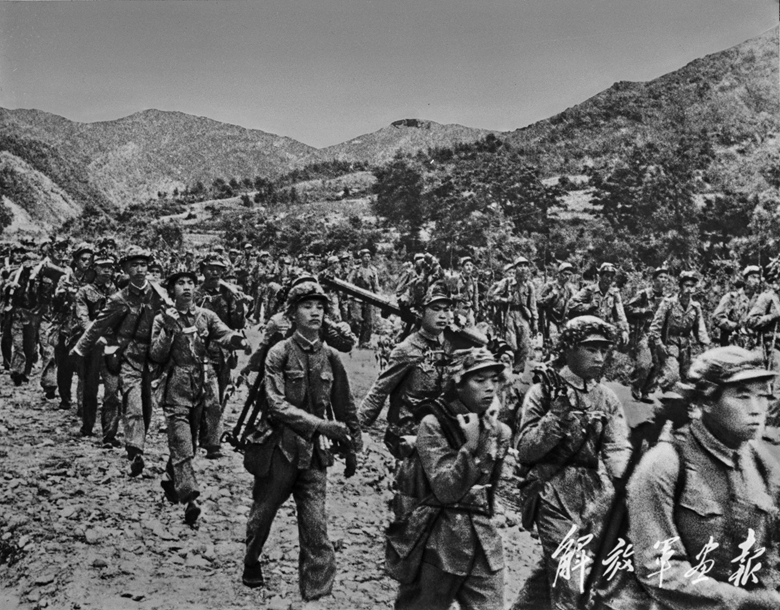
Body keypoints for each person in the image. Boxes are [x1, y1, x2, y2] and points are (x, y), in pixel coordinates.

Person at [623, 346, 780, 610]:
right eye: (743, 396)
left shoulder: (759, 462)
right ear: (707, 402)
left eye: (762, 396)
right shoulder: (665, 462)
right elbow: (658, 569)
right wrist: (744, 602)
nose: (757, 409)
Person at [242, 281, 362, 605]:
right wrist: (322, 425)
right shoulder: (279, 353)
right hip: (279, 449)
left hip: (314, 456)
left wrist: (352, 448)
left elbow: (345, 405)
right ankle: (251, 558)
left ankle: (316, 595)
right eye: (307, 306)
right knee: (262, 514)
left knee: (315, 526)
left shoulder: (331, 357)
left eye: (320, 307)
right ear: (292, 313)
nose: (315, 312)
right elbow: (276, 404)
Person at [513, 315, 632, 610]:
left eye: (603, 350)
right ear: (569, 349)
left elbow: (617, 448)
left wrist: (629, 484)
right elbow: (525, 450)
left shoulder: (606, 398)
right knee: (571, 580)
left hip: (591, 498)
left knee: (556, 573)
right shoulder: (543, 392)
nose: (599, 357)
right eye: (591, 349)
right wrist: (556, 417)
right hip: (550, 492)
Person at [388, 347, 512, 610]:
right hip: (437, 537)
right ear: (459, 384)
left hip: (482, 540)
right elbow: (446, 489)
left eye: (494, 380)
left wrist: (487, 436)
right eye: (479, 380)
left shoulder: (499, 431)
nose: (490, 388)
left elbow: (489, 492)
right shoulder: (434, 424)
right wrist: (471, 447)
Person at [150, 270, 249, 524]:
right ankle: (190, 498)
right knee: (182, 439)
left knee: (189, 443)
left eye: (190, 283)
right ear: (171, 291)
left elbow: (222, 333)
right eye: (180, 284)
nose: (186, 288)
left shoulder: (206, 316)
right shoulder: (162, 319)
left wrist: (237, 340)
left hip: (204, 383)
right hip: (176, 385)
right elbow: (157, 355)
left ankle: (171, 477)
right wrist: (169, 330)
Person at [73, 246, 168, 477]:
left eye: (143, 265)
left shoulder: (159, 293)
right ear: (125, 269)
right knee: (132, 402)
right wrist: (80, 349)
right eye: (134, 265)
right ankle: (135, 450)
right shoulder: (119, 299)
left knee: (147, 404)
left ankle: (138, 439)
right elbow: (98, 326)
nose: (140, 270)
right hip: (128, 355)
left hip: (153, 356)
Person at [360, 283, 456, 460]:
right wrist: (356, 429)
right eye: (436, 309)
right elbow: (379, 391)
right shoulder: (406, 350)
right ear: (420, 312)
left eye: (446, 309)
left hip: (436, 434)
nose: (443, 315)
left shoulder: (449, 347)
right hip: (407, 435)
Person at [193, 252, 248, 458]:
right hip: (201, 351)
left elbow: (237, 324)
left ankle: (209, 438)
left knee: (220, 396)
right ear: (203, 271)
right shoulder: (195, 293)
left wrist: (240, 307)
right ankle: (210, 443)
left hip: (224, 353)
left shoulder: (229, 293)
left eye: (218, 269)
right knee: (208, 397)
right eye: (210, 269)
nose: (215, 273)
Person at [74, 250, 121, 443]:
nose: (107, 271)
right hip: (92, 345)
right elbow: (83, 318)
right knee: (89, 387)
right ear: (94, 268)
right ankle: (87, 425)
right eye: (103, 267)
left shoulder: (118, 292)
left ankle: (110, 433)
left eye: (110, 267)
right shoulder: (84, 291)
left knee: (112, 389)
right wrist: (95, 336)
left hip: (112, 345)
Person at [649, 270, 710, 392]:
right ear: (680, 287)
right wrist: (659, 344)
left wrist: (705, 347)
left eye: (692, 286)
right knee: (671, 376)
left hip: (686, 347)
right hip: (669, 344)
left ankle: (677, 399)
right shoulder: (669, 303)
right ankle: (659, 391)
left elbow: (700, 329)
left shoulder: (695, 307)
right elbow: (655, 326)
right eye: (686, 285)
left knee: (689, 378)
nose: (689, 289)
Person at [625, 266, 671, 402]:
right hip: (643, 332)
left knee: (657, 365)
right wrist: (643, 311)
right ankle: (636, 384)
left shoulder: (667, 299)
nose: (663, 280)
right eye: (661, 277)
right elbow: (627, 308)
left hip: (657, 335)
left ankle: (646, 391)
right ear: (654, 279)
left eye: (666, 278)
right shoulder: (644, 294)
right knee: (645, 363)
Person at [487, 255, 538, 375]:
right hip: (509, 315)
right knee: (511, 345)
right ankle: (506, 370)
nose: (523, 269)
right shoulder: (507, 282)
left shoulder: (529, 286)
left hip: (524, 316)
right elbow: (492, 297)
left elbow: (533, 306)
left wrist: (535, 322)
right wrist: (505, 300)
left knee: (524, 346)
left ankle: (518, 372)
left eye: (525, 266)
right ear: (515, 269)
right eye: (520, 266)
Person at [566, 262, 629, 346]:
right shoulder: (589, 290)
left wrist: (624, 330)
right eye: (607, 276)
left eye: (611, 277)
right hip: (590, 330)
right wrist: (588, 306)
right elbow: (571, 303)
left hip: (606, 330)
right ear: (600, 276)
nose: (609, 279)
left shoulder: (614, 294)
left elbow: (620, 315)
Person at [713, 265, 762, 348]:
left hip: (753, 346)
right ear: (745, 279)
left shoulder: (761, 300)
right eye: (753, 277)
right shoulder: (731, 298)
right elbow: (717, 318)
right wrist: (735, 326)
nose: (756, 281)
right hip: (732, 344)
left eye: (758, 278)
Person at [537, 262, 575, 346]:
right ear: (559, 274)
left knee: (564, 342)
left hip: (562, 319)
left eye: (569, 274)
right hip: (550, 318)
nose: (567, 277)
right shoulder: (549, 286)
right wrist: (551, 296)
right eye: (565, 274)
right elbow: (538, 301)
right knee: (553, 341)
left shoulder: (568, 289)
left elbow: (574, 300)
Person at [348, 248, 380, 348]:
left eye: (369, 256)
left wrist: (378, 299)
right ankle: (353, 340)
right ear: (361, 258)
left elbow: (376, 286)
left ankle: (364, 342)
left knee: (369, 322)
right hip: (357, 298)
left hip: (369, 298)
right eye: (365, 256)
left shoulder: (373, 270)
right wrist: (350, 297)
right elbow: (349, 283)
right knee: (356, 320)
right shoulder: (356, 269)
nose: (367, 258)